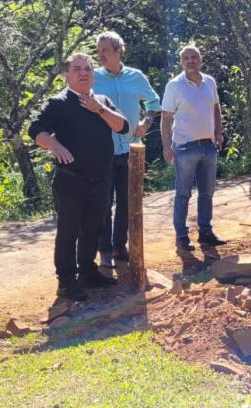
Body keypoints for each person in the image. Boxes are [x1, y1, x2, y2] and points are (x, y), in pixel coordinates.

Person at [29, 53, 129, 302]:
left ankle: (87, 272)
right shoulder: (58, 103)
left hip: (101, 179)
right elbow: (35, 130)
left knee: (93, 229)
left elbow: (122, 126)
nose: (83, 73)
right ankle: (66, 282)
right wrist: (54, 145)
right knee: (68, 232)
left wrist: (100, 109)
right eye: (77, 69)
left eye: (87, 69)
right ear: (67, 75)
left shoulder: (102, 100)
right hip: (70, 181)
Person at [93, 31, 161, 269]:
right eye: (98, 51)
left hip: (132, 150)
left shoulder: (136, 76)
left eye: (105, 51)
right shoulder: (93, 78)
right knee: (103, 203)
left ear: (118, 51)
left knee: (127, 202)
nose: (100, 55)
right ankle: (104, 251)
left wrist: (147, 122)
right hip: (103, 151)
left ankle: (119, 246)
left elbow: (154, 102)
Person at [160, 44, 227, 251]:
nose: (190, 61)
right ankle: (182, 237)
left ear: (201, 60)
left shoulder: (210, 82)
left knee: (207, 192)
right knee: (183, 194)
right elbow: (166, 117)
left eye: (194, 57)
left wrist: (218, 132)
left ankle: (205, 233)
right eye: (186, 58)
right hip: (184, 148)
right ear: (181, 62)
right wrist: (166, 146)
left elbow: (215, 107)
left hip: (208, 146)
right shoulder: (174, 86)